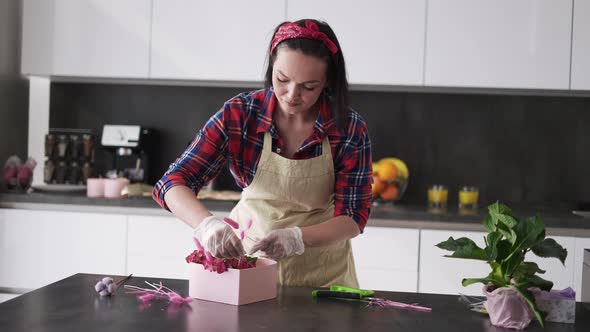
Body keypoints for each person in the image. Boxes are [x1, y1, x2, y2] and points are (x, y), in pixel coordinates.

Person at [153, 19, 372, 288]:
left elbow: (353, 217)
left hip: (323, 277)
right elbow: (173, 182)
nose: (292, 95)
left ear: (327, 82)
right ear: (271, 65)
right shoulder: (241, 114)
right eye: (282, 79)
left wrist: (297, 238)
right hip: (249, 269)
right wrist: (207, 225)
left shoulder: (348, 127)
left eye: (309, 86)